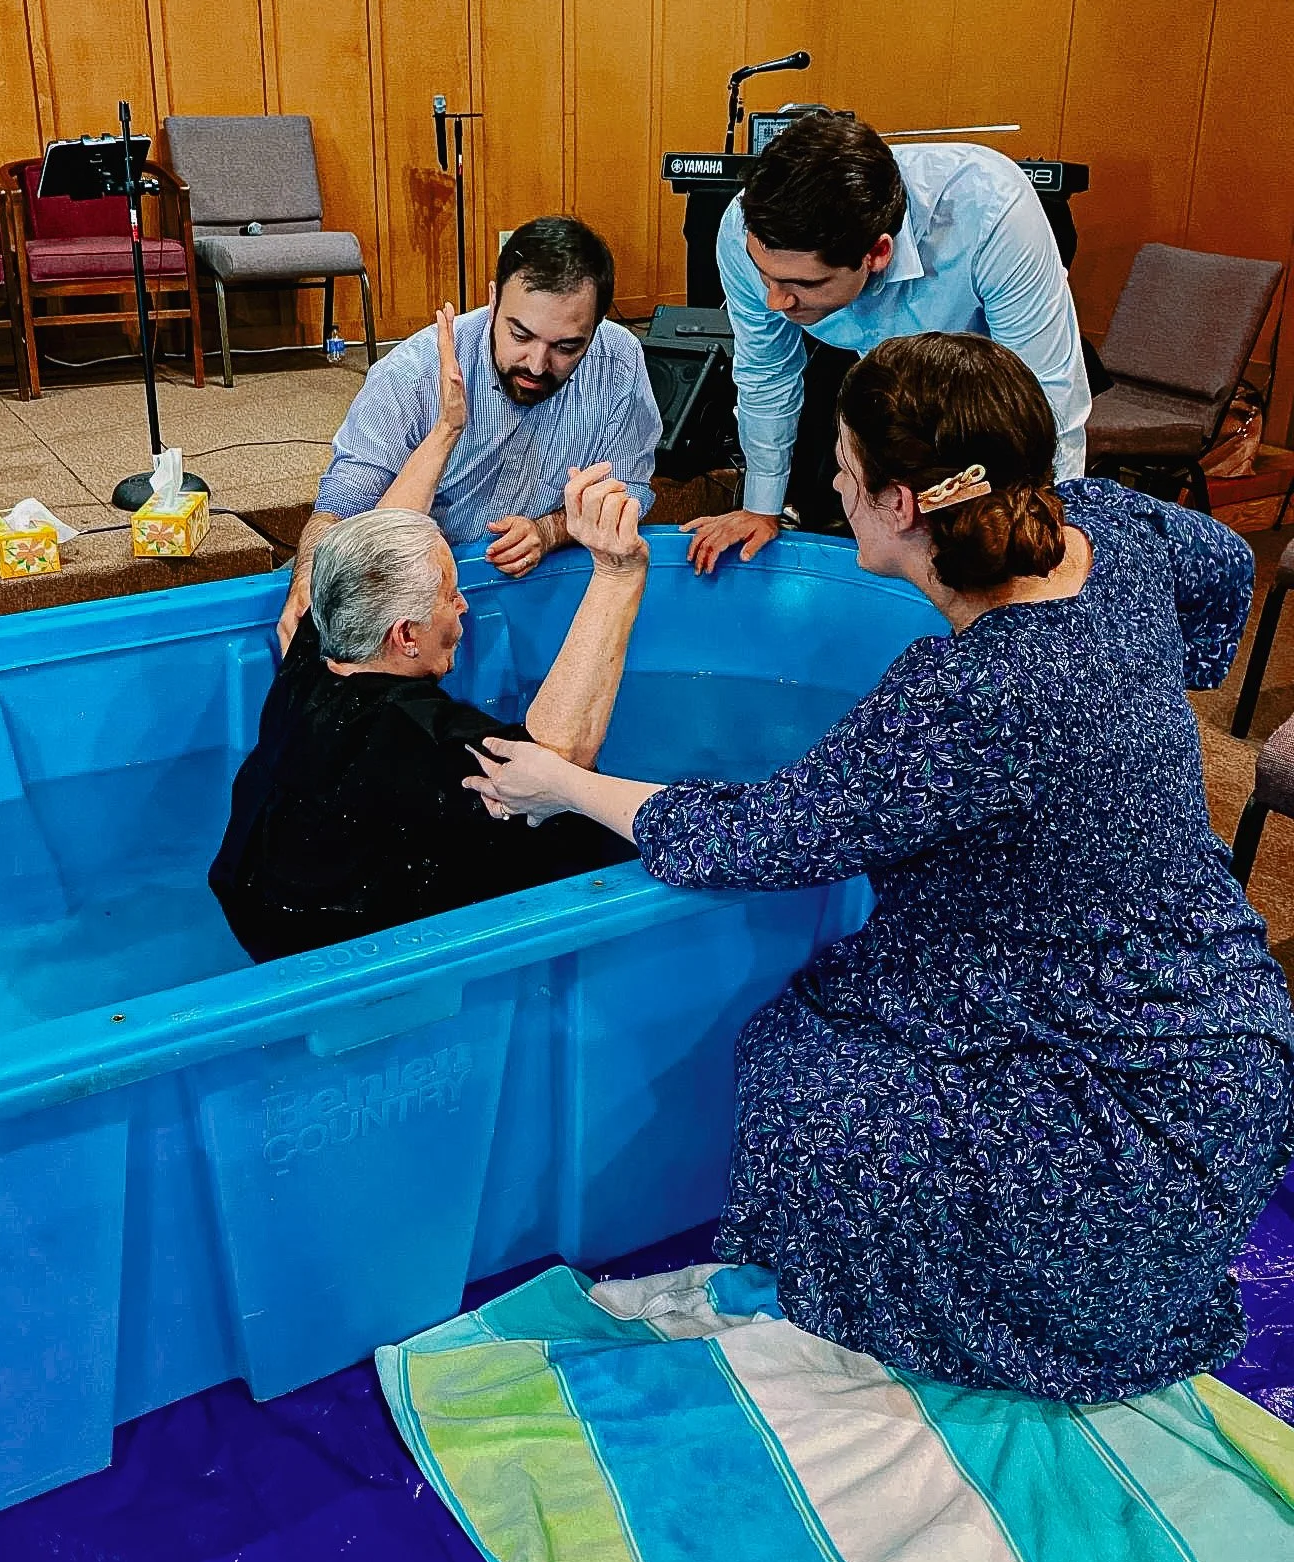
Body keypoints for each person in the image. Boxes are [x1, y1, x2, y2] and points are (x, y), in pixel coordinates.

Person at [466, 331, 1294, 1401]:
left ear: (903, 505)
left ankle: (999, 1303)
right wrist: (1150, 696)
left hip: (1131, 1133)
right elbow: (1228, 564)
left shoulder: (975, 691)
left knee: (800, 1072)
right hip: (1232, 1029)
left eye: (846, 468)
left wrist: (561, 783)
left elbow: (756, 837)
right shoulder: (1112, 526)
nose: (832, 481)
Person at [210, 463, 647, 964]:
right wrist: (619, 573)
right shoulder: (421, 737)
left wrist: (445, 429)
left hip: (257, 905)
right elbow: (555, 762)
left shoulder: (316, 645)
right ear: (407, 636)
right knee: (579, 823)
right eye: (449, 596)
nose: (462, 606)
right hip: (346, 954)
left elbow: (380, 535)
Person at [684, 110, 1092, 568]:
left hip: (990, 379)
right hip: (883, 379)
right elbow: (765, 374)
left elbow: (1043, 394)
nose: (776, 301)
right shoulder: (743, 230)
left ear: (877, 252)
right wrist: (761, 508)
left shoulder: (993, 211)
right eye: (766, 278)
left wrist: (1050, 534)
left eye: (805, 284)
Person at [277, 215, 662, 652]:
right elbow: (344, 508)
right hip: (408, 605)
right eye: (520, 334)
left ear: (594, 329)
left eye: (566, 346)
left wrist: (551, 531)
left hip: (522, 591)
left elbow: (630, 488)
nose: (537, 364)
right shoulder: (414, 371)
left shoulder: (619, 361)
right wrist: (309, 573)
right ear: (494, 300)